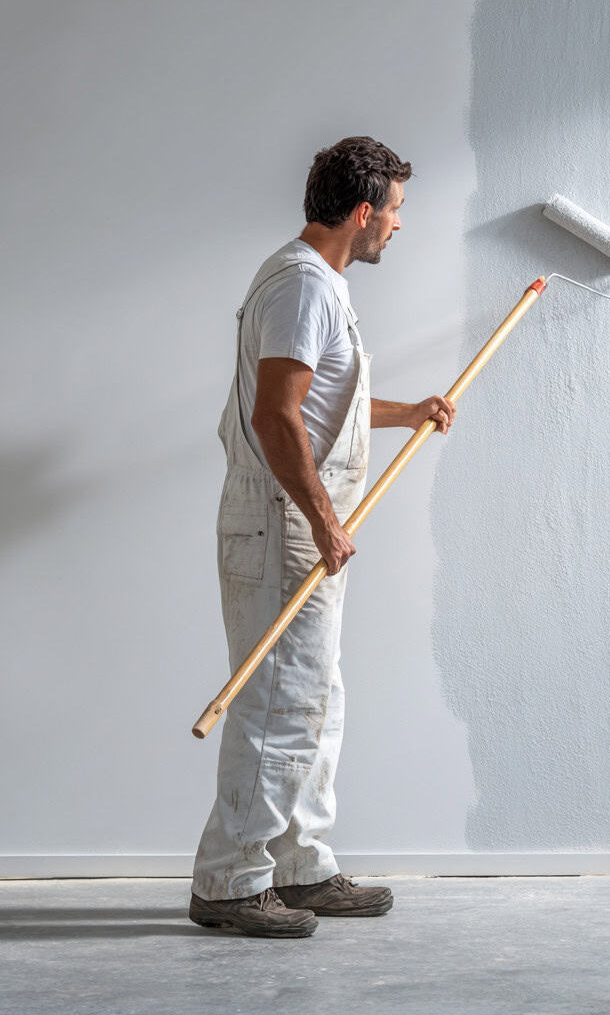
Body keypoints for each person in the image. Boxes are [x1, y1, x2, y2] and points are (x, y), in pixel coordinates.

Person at [189, 136, 455, 938]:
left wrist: (409, 412)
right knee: (278, 702)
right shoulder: (304, 285)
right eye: (396, 210)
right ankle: (232, 881)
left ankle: (299, 866)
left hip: (296, 521)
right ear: (363, 211)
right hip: (284, 522)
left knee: (314, 699)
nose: (400, 225)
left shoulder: (314, 282)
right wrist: (324, 519)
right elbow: (276, 416)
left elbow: (317, 404)